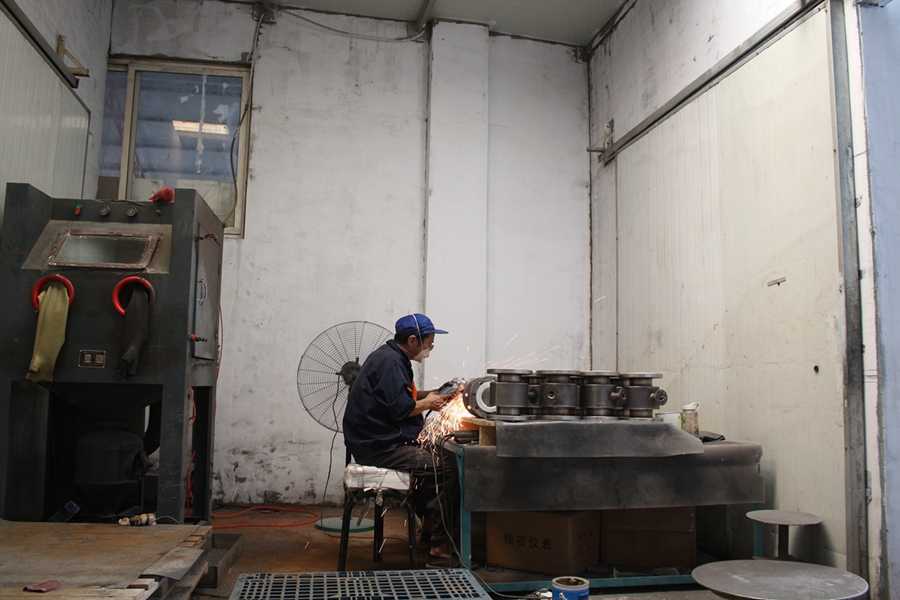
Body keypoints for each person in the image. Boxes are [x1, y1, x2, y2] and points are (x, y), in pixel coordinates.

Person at [343, 313, 460, 568]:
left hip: (378, 440)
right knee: (443, 470)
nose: (429, 349)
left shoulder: (392, 357)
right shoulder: (391, 363)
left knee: (434, 458)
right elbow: (401, 409)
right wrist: (429, 403)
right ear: (412, 340)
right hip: (378, 446)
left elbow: (402, 397)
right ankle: (441, 552)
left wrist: (434, 393)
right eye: (429, 344)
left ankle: (429, 533)